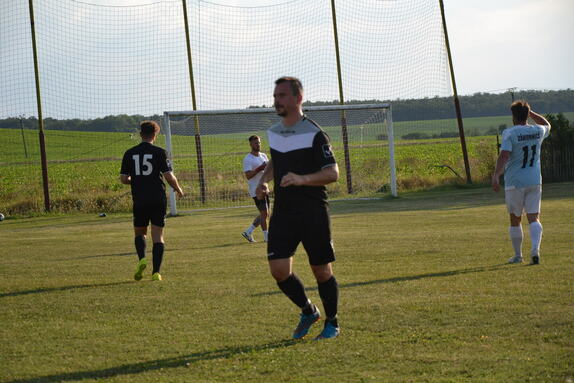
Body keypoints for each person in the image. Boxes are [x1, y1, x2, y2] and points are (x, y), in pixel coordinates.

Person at [256, 77, 340, 340]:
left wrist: (302, 179)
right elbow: (276, 162)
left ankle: (332, 323)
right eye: (275, 96)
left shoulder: (315, 133)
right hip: (284, 212)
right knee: (279, 270)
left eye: (281, 95)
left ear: (298, 98)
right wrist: (263, 181)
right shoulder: (274, 132)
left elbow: (333, 173)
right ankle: (308, 310)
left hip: (313, 211)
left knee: (321, 270)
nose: (276, 100)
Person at [120, 120, 184, 281]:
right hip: (157, 198)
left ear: (140, 134)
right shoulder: (160, 152)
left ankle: (142, 258)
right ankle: (156, 272)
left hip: (140, 199)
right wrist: (178, 188)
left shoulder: (129, 153)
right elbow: (169, 176)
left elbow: (123, 179)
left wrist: (136, 181)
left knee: (140, 232)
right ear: (155, 134)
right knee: (158, 236)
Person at [492, 101, 551, 265]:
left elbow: (504, 155)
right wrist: (532, 113)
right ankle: (535, 250)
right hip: (534, 180)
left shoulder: (510, 133)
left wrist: (496, 175)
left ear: (513, 116)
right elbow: (547, 124)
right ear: (527, 114)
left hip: (515, 182)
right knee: (534, 218)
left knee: (515, 219)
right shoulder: (538, 130)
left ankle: (518, 255)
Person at [242, 135, 270, 243]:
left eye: (259, 142)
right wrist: (259, 168)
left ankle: (248, 231)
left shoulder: (263, 156)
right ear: (250, 144)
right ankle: (266, 237)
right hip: (256, 190)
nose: (258, 145)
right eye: (255, 143)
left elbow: (267, 170)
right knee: (264, 213)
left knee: (266, 214)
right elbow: (248, 175)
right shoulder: (248, 158)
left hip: (264, 188)